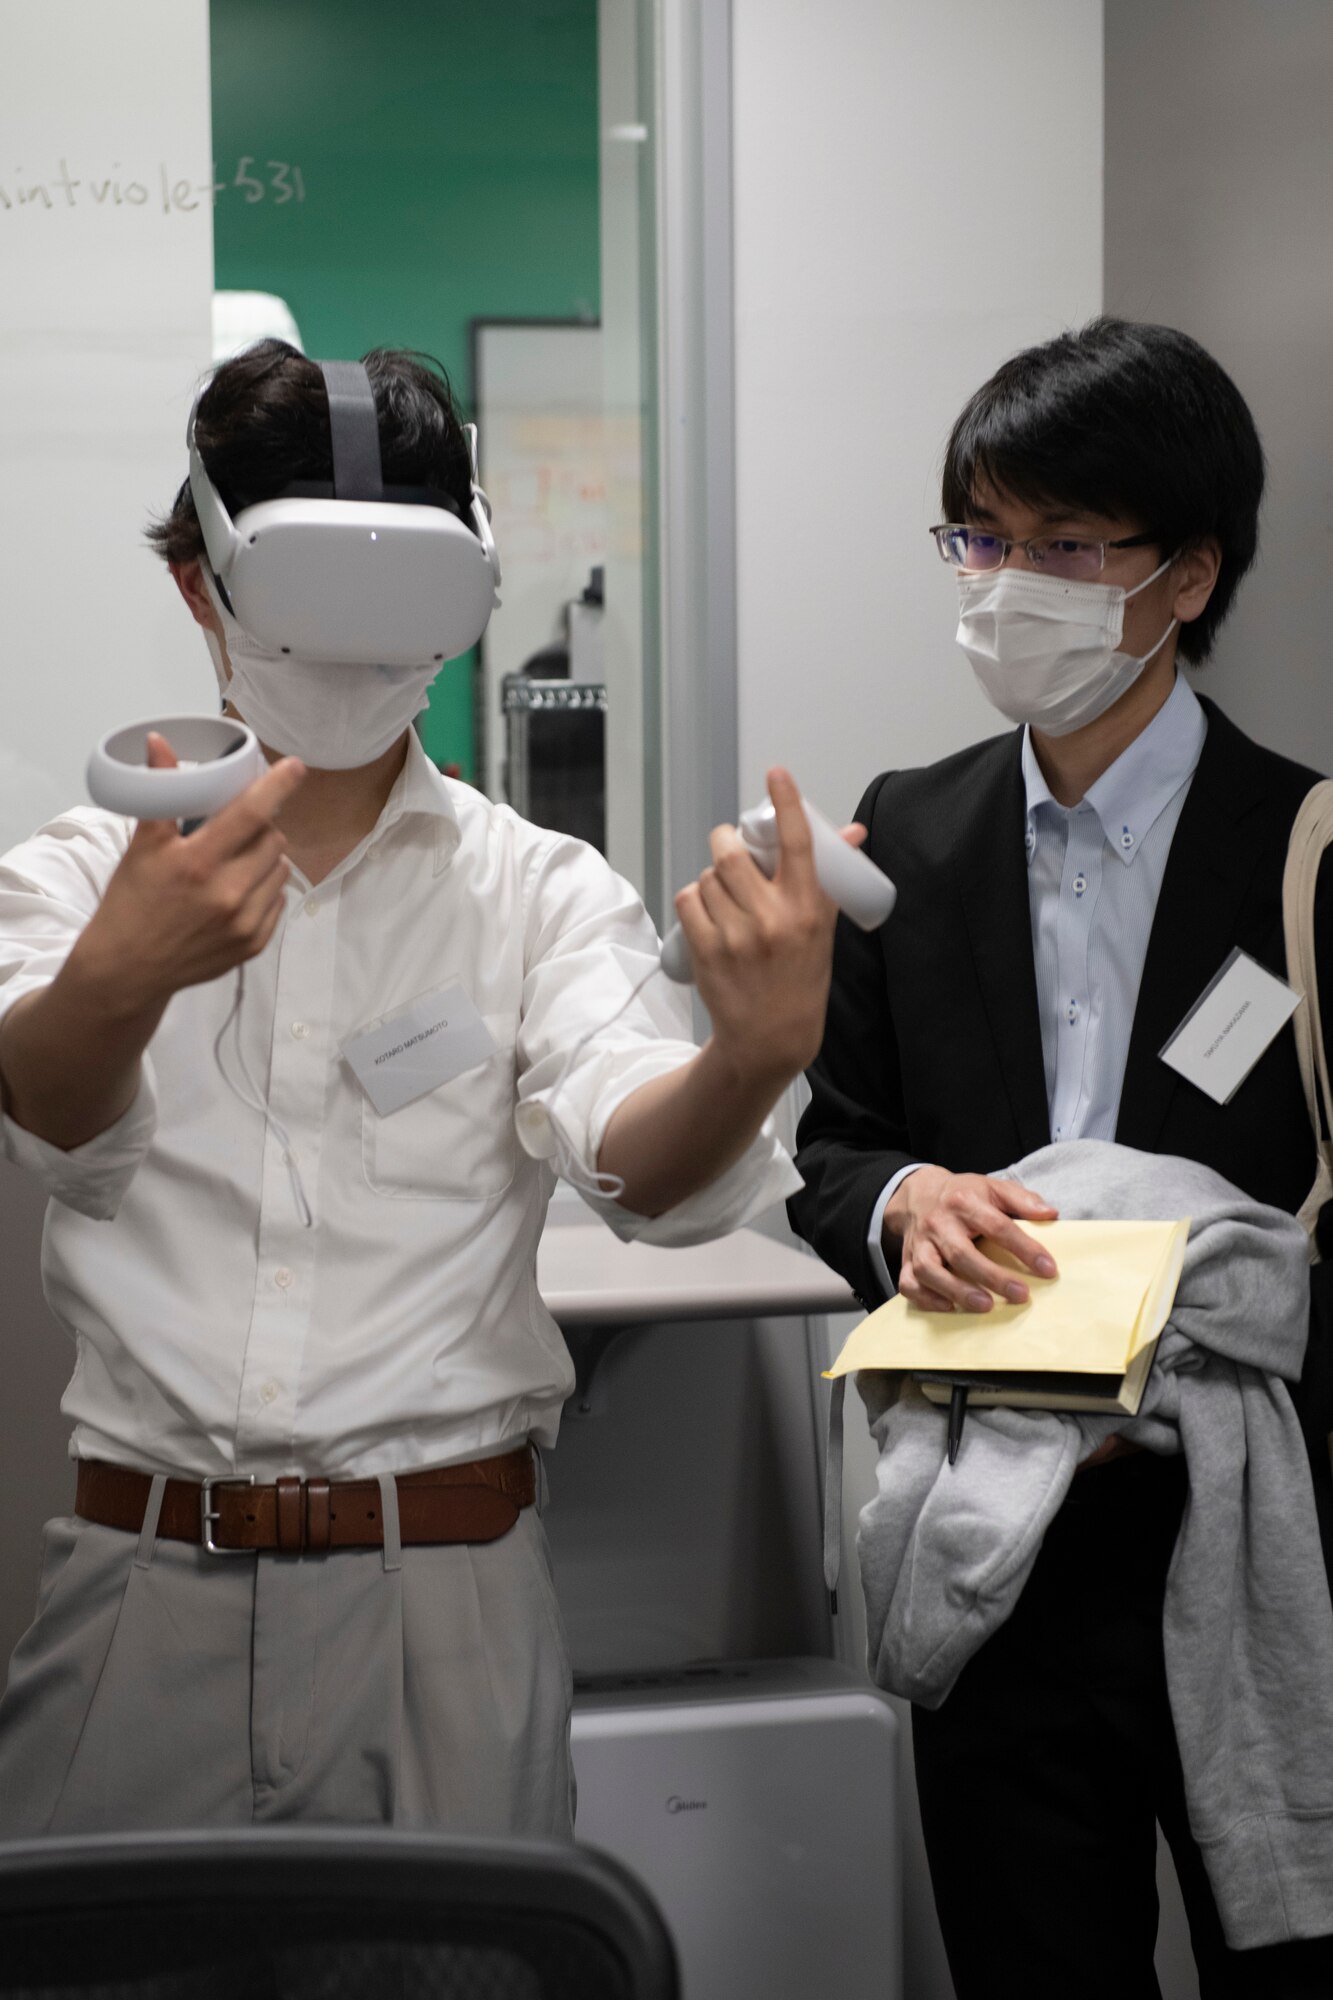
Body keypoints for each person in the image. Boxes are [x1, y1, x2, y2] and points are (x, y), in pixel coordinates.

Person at [0, 340, 849, 1840]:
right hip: (137, 1586)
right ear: (202, 586)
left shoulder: (534, 891)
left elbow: (638, 1168)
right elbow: (51, 1116)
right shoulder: (81, 872)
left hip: (444, 1598)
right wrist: (125, 976)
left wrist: (748, 1056)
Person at [789, 317, 1333, 1997]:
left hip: (1254, 1525)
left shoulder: (1308, 847)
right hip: (989, 1531)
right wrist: (901, 1203)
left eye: (1063, 546)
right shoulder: (911, 831)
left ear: (1185, 575)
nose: (1003, 585)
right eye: (979, 537)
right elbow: (833, 1148)